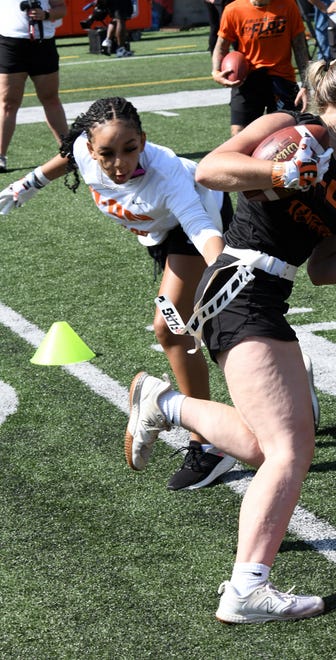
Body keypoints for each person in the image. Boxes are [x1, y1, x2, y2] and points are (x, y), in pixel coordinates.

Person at [124, 50, 336, 623]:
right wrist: (279, 173)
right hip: (239, 283)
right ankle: (246, 588)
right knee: (291, 450)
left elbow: (325, 267)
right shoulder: (285, 127)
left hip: (272, 296)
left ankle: (164, 402)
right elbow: (209, 170)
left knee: (268, 448)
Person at [0, 96, 237, 492]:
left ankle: (207, 443)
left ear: (143, 140)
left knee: (171, 327)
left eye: (129, 149)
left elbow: (197, 225)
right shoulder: (84, 151)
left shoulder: (169, 178)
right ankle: (292, 378)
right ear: (91, 149)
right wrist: (28, 184)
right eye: (106, 154)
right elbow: (70, 158)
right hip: (159, 234)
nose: (119, 164)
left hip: (198, 225)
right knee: (206, 327)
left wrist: (222, 265)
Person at [211, 0, 310, 136]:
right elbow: (221, 46)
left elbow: (300, 47)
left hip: (281, 79)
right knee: (239, 133)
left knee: (286, 134)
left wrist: (306, 84)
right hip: (247, 79)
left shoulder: (288, 5)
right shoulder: (233, 9)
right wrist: (216, 72)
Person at [0, 0, 68, 173]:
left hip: (42, 44)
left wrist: (45, 15)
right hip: (10, 44)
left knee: (51, 99)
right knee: (8, 103)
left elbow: (61, 9)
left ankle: (70, 151)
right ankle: (0, 156)